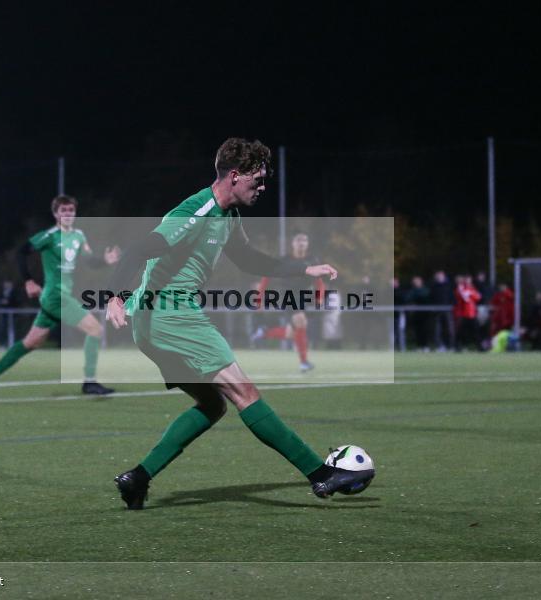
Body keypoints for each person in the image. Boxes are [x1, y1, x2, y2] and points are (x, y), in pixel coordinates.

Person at [105, 138, 373, 509]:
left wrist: (304, 268)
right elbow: (139, 250)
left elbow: (249, 260)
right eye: (257, 180)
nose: (262, 188)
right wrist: (115, 296)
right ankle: (321, 474)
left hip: (155, 324)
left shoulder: (228, 218)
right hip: (170, 315)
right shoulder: (196, 210)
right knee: (245, 392)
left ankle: (137, 478)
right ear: (235, 176)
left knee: (213, 405)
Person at [0, 195, 121, 399]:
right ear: (56, 214)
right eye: (63, 211)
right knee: (96, 330)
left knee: (31, 342)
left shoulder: (79, 236)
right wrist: (28, 280)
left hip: (56, 298)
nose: (67, 214)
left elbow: (89, 261)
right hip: (56, 297)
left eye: (71, 210)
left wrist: (105, 261)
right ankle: (89, 383)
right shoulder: (50, 236)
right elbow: (22, 252)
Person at [250, 232, 324, 371]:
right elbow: (267, 277)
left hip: (304, 298)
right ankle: (304, 363)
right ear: (293, 243)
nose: (301, 243)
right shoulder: (284, 260)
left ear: (307, 244)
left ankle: (264, 333)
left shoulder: (313, 260)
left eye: (304, 240)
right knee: (301, 321)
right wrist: (259, 298)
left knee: (292, 332)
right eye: (298, 240)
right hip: (287, 296)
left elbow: (319, 281)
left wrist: (319, 297)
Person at [405, 276, 431, 351]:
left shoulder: (426, 290)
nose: (415, 283)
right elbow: (407, 299)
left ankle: (425, 346)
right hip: (416, 315)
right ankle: (419, 346)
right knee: (417, 331)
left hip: (425, 315)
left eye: (417, 281)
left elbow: (428, 300)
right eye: (414, 282)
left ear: (421, 282)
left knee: (425, 330)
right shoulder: (412, 291)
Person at [0, 280, 20, 348]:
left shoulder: (15, 292)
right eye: (5, 284)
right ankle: (2, 344)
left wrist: (9, 302)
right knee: (2, 329)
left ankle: (13, 344)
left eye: (8, 283)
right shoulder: (1, 292)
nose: (7, 285)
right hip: (3, 314)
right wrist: (1, 302)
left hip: (13, 314)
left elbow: (17, 302)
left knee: (12, 329)